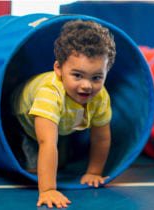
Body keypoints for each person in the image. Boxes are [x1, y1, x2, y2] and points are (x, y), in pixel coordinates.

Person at [11, 20, 116, 208]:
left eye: (96, 77)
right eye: (77, 75)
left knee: (61, 158)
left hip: (63, 124)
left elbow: (101, 138)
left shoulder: (100, 97)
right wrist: (48, 189)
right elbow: (47, 142)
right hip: (22, 121)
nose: (87, 85)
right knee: (36, 167)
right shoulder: (50, 94)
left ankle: (66, 143)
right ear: (58, 69)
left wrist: (93, 171)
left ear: (106, 73)